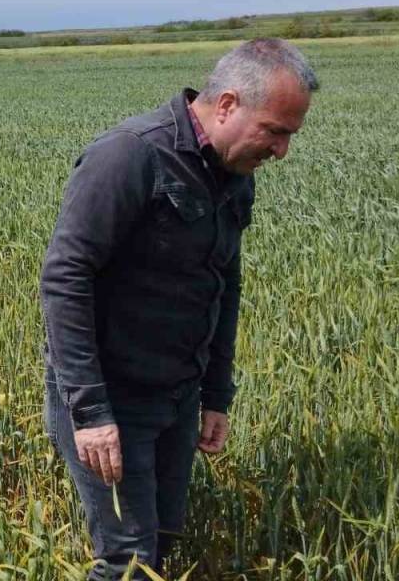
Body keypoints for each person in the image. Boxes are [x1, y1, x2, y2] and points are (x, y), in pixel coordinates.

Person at [40, 39, 318, 578]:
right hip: (114, 399)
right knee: (128, 563)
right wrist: (92, 415)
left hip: (178, 396)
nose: (282, 151)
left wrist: (216, 393)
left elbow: (223, 283)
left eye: (290, 136)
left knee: (163, 542)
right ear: (228, 105)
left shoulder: (234, 174)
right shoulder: (129, 155)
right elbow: (65, 279)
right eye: (276, 131)